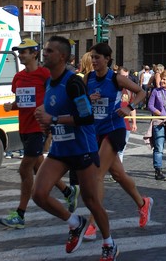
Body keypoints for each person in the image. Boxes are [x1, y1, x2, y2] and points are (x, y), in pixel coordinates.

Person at [31, 36, 116, 259]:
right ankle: (74, 223)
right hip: (60, 149)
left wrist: (54, 119)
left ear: (62, 56)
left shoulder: (74, 82)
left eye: (49, 51)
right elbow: (53, 111)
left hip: (82, 149)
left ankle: (109, 243)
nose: (44, 53)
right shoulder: (48, 81)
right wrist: (45, 125)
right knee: (38, 194)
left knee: (91, 201)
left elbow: (86, 117)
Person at [0, 39, 77, 229]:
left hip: (37, 128)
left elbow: (55, 96)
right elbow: (24, 101)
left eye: (24, 52)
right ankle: (67, 191)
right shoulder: (18, 77)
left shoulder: (45, 74)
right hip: (24, 127)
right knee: (38, 167)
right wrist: (12, 106)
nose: (20, 55)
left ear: (34, 54)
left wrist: (50, 117)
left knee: (25, 169)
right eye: (19, 52)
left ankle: (20, 214)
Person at [83, 42, 152, 242]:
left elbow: (141, 92)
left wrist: (129, 107)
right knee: (119, 175)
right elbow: (81, 101)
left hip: (114, 130)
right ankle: (143, 203)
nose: (94, 61)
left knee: (97, 174)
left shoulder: (116, 78)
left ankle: (93, 223)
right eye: (92, 57)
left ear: (107, 59)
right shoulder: (88, 79)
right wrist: (89, 98)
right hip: (96, 131)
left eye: (98, 57)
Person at [118, 66, 138, 163]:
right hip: (113, 124)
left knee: (121, 150)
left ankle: (117, 172)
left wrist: (134, 122)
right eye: (123, 76)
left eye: (127, 76)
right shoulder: (113, 88)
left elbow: (132, 107)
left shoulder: (129, 91)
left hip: (126, 125)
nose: (125, 79)